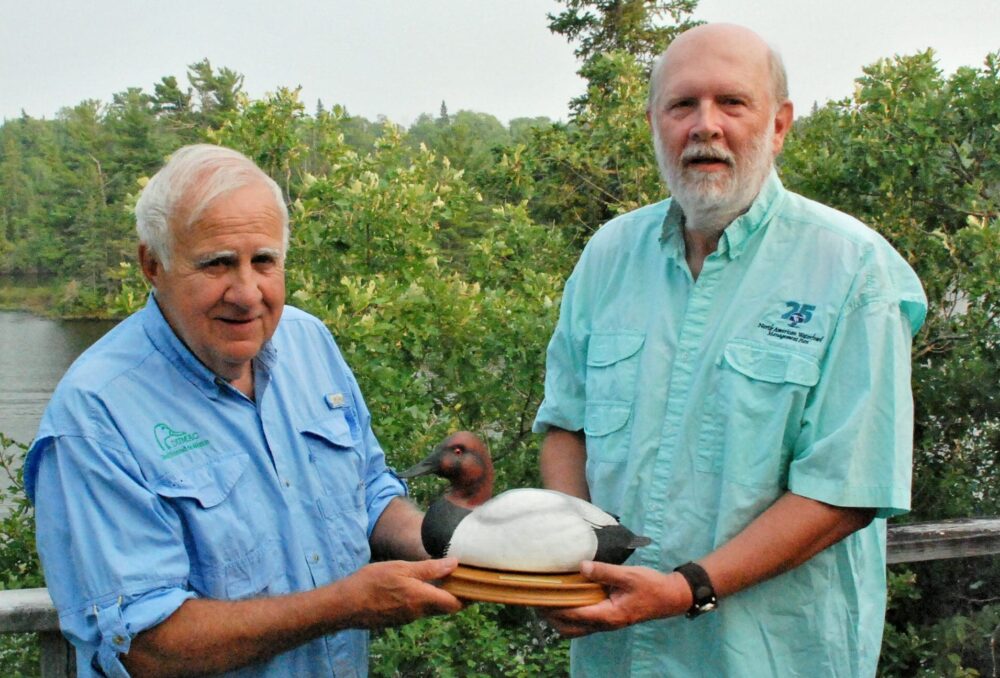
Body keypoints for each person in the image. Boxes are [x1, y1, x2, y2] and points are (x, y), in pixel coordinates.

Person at [533, 23, 927, 677]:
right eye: (682, 104)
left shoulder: (852, 269)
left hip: (770, 659)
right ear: (654, 122)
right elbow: (565, 426)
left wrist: (688, 586)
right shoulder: (608, 256)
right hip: (616, 656)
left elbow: (846, 489)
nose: (704, 126)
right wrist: (576, 558)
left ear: (778, 125)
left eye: (732, 103)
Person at [24, 144, 462, 677]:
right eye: (218, 263)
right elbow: (144, 647)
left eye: (264, 261)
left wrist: (451, 548)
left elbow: (368, 492)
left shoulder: (308, 342)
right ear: (152, 265)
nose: (247, 293)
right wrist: (348, 604)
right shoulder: (95, 416)